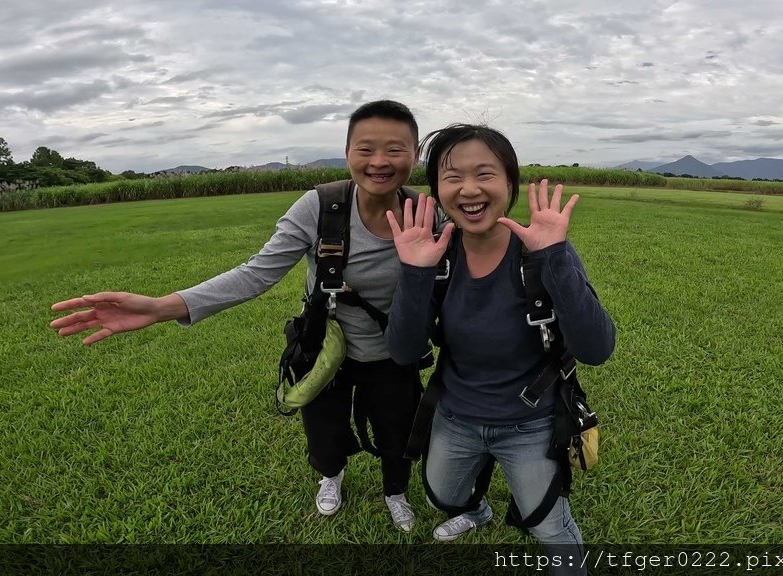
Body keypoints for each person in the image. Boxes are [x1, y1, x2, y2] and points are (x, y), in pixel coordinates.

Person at [50, 100, 425, 532]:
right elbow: (254, 275)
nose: (379, 161)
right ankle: (331, 476)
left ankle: (395, 491)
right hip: (325, 346)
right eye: (366, 149)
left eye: (395, 149)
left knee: (398, 432)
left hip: (392, 352)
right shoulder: (321, 207)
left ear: (414, 156)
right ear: (347, 154)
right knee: (323, 429)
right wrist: (159, 306)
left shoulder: (427, 214)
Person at [384, 124, 615, 574]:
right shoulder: (437, 257)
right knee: (443, 496)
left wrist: (556, 257)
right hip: (456, 413)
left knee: (547, 527)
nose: (469, 189)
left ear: (509, 182)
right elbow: (404, 351)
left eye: (484, 174)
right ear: (437, 191)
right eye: (452, 177)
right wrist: (414, 272)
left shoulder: (540, 253)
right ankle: (478, 510)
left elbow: (597, 348)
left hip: (530, 421)